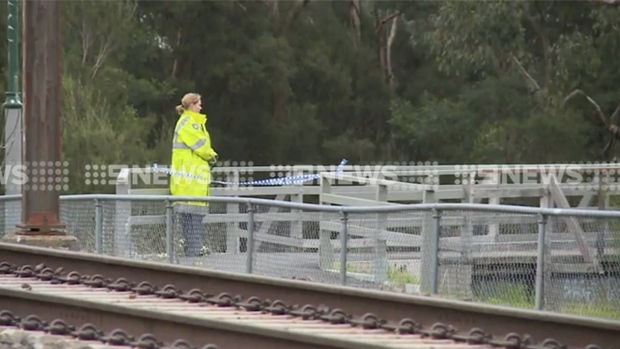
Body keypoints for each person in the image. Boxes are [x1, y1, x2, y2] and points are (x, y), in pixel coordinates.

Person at [169, 92, 218, 257]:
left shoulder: (190, 122)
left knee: (191, 220)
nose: (201, 107)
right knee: (193, 220)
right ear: (191, 105)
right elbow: (201, 146)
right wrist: (213, 156)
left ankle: (193, 251)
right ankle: (194, 253)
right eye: (198, 104)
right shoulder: (189, 123)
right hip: (190, 181)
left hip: (190, 180)